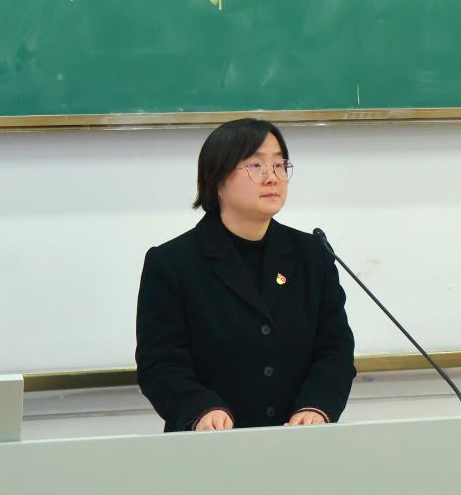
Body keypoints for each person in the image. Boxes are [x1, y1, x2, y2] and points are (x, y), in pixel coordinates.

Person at [135, 118, 357, 432]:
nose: (272, 177)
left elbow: (335, 349)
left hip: (299, 441)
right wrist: (199, 409)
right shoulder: (173, 262)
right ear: (217, 178)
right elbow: (160, 363)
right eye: (256, 166)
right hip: (211, 444)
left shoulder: (312, 254)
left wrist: (316, 406)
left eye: (279, 165)